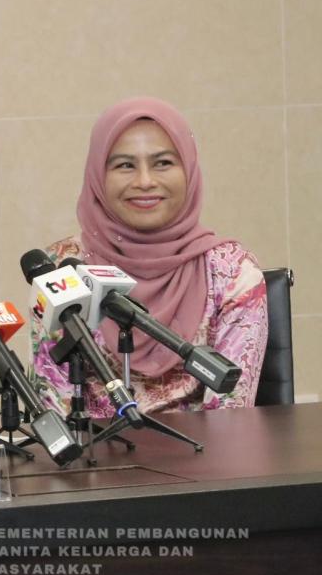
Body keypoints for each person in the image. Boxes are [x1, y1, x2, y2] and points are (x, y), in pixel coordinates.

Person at [30, 98, 267, 417]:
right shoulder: (63, 268)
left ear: (189, 170)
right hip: (94, 449)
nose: (144, 181)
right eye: (125, 165)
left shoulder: (232, 271)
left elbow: (230, 412)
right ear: (98, 175)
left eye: (163, 163)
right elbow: (55, 408)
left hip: (204, 449)